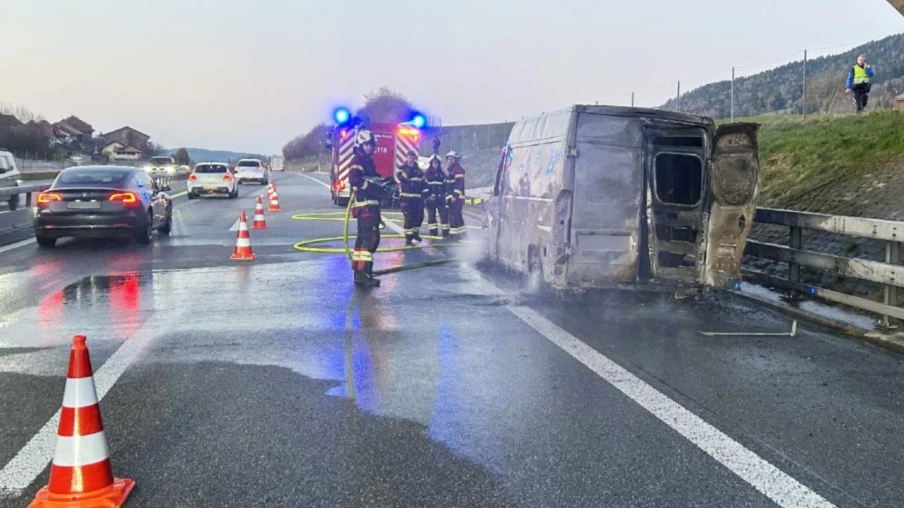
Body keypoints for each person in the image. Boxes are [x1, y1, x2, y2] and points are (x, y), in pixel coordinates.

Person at [348, 130, 385, 287]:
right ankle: (364, 273)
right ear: (361, 145)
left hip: (368, 206)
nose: (370, 147)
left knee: (363, 239)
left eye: (371, 145)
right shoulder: (358, 160)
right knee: (370, 239)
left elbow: (373, 178)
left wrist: (385, 183)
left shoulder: (367, 161)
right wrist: (372, 186)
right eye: (367, 145)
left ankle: (360, 272)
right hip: (366, 206)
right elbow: (354, 179)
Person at [396, 149, 427, 245]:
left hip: (417, 198)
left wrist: (425, 195)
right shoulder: (402, 169)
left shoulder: (420, 171)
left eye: (413, 158)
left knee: (419, 217)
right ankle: (408, 238)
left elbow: (423, 183)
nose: (411, 159)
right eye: (410, 157)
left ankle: (415, 234)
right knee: (409, 218)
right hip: (406, 198)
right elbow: (402, 177)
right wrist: (410, 170)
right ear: (407, 158)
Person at [424, 154, 450, 238]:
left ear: (439, 164)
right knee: (431, 217)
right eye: (433, 162)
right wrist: (427, 196)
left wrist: (445, 196)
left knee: (444, 216)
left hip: (440, 199)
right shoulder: (427, 174)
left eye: (436, 163)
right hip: (430, 199)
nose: (435, 164)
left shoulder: (442, 174)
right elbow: (424, 186)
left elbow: (446, 186)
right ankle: (433, 233)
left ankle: (445, 233)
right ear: (431, 163)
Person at [444, 151, 466, 239]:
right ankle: (462, 234)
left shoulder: (458, 170)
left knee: (453, 216)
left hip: (456, 198)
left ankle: (453, 235)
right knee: (457, 216)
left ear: (456, 160)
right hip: (453, 198)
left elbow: (459, 184)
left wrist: (454, 196)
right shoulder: (451, 170)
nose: (449, 161)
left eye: (452, 159)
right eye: (448, 159)